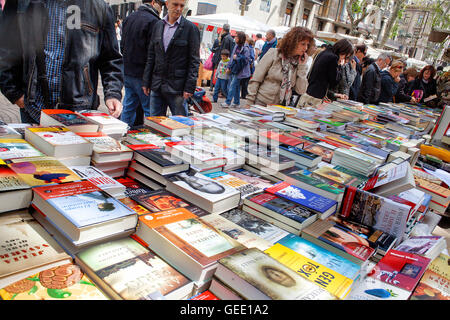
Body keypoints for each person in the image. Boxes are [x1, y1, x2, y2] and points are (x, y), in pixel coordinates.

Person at [0, 0, 123, 124]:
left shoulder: (98, 7)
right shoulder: (22, 3)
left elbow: (110, 58)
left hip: (78, 110)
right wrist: (13, 92)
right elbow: (6, 46)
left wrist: (113, 93)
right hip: (33, 108)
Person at [142, 0, 201, 117]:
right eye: (175, 4)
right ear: (167, 4)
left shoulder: (190, 29)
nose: (179, 9)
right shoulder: (158, 26)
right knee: (155, 124)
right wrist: (146, 81)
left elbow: (194, 61)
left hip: (178, 88)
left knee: (180, 126)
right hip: (157, 85)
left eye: (182, 6)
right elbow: (151, 56)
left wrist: (189, 87)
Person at [120, 0, 165, 127]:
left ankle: (123, 132)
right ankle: (152, 140)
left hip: (128, 70)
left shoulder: (130, 18)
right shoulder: (154, 21)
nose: (161, 9)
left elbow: (122, 45)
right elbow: (154, 52)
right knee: (150, 110)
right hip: (142, 74)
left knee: (128, 107)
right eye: (161, 5)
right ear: (153, 2)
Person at [246, 27, 314, 107]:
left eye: (307, 45)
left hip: (281, 107)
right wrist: (249, 102)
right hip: (261, 103)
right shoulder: (274, 54)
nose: (305, 48)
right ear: (293, 42)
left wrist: (302, 67)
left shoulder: (299, 63)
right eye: (303, 44)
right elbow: (256, 79)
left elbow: (301, 90)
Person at [300, 39, 354, 107]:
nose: (344, 58)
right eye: (346, 56)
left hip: (309, 92)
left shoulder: (324, 52)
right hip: (315, 98)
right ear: (343, 51)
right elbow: (334, 81)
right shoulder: (333, 58)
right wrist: (340, 66)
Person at [222, 31, 251, 108]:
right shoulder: (236, 46)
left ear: (240, 38)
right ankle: (236, 102)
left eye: (236, 37)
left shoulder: (245, 48)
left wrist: (237, 58)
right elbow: (232, 57)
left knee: (232, 85)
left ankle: (228, 102)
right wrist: (229, 67)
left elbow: (246, 60)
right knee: (236, 86)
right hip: (234, 69)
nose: (235, 38)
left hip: (240, 71)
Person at [210, 24, 235, 91]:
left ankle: (218, 89)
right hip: (223, 60)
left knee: (219, 74)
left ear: (223, 30)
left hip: (222, 60)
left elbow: (224, 50)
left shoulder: (226, 38)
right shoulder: (228, 38)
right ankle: (217, 89)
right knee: (220, 75)